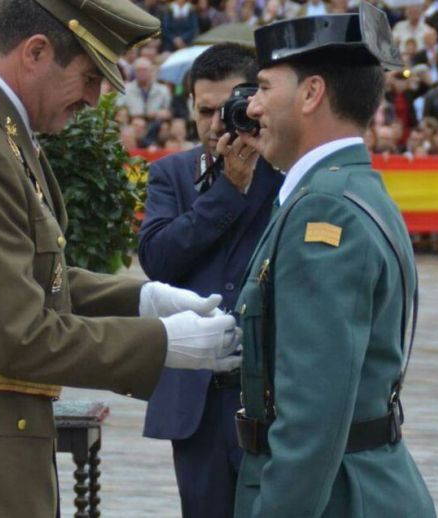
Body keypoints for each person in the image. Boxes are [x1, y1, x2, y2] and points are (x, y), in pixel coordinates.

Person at [0, 0, 241, 515]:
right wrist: (163, 343)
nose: (94, 97)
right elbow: (19, 335)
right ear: (36, 52)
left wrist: (143, 300)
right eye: (88, 76)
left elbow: (30, 275)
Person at [232, 3, 436, 516]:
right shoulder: (346, 187)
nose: (252, 108)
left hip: (336, 496)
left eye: (263, 88)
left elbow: (312, 418)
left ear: (311, 93)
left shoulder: (324, 210)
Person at [139, 43, 283, 518]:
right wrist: (227, 193)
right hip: (196, 398)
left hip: (270, 394)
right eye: (205, 111)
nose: (217, 124)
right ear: (189, 109)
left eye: (229, 109)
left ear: (254, 102)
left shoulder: (286, 174)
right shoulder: (172, 174)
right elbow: (157, 260)